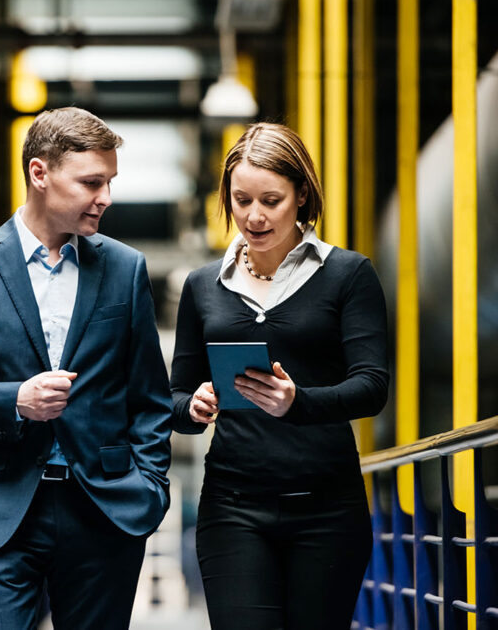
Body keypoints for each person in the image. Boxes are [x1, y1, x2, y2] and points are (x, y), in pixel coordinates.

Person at [0, 107, 173, 630]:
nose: (106, 197)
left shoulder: (125, 268)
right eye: (91, 182)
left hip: (105, 511)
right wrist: (14, 400)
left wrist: (149, 488)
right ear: (39, 173)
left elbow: (150, 398)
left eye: (110, 182)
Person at [171, 122, 388, 629]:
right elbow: (174, 397)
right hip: (232, 509)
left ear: (302, 195)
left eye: (271, 200)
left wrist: (298, 402)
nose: (254, 215)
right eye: (241, 200)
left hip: (327, 509)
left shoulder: (349, 275)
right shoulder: (202, 286)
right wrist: (192, 407)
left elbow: (372, 386)